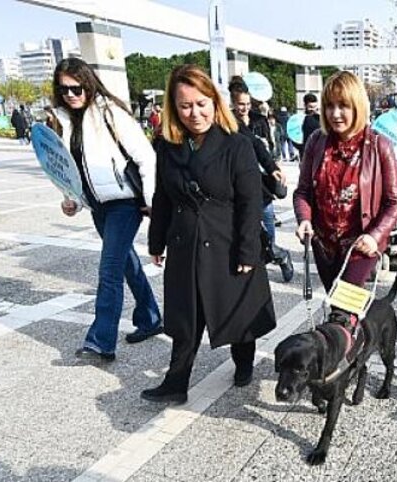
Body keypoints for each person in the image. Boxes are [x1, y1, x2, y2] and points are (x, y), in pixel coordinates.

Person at [143, 64, 276, 403]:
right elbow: (162, 196)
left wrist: (248, 251)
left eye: (201, 103)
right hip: (185, 243)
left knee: (238, 313)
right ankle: (176, 384)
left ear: (215, 102)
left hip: (228, 244)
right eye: (185, 105)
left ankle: (243, 364)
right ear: (174, 107)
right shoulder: (168, 146)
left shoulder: (236, 144)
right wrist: (156, 239)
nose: (194, 113)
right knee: (186, 317)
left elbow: (251, 201)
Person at [50, 57, 162, 362]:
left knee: (109, 270)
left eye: (76, 88)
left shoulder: (110, 113)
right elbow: (66, 166)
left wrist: (151, 202)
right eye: (64, 90)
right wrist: (70, 196)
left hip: (124, 202)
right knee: (126, 262)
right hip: (97, 204)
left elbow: (147, 158)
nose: (71, 95)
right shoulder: (64, 120)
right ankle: (151, 318)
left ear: (88, 84)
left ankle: (101, 341)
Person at [293, 71, 397, 293]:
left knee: (343, 310)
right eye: (329, 106)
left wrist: (375, 236)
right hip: (324, 245)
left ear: (358, 106)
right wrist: (304, 219)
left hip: (361, 246)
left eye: (343, 105)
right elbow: (303, 191)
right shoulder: (317, 141)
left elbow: (394, 202)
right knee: (334, 300)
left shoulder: (379, 145)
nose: (335, 114)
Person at [228, 77, 294, 283]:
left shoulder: (258, 118)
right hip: (239, 181)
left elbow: (263, 147)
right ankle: (270, 259)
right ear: (232, 103)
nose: (245, 108)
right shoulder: (228, 122)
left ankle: (277, 255)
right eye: (241, 104)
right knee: (249, 226)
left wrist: (273, 167)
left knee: (267, 222)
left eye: (247, 104)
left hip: (262, 181)